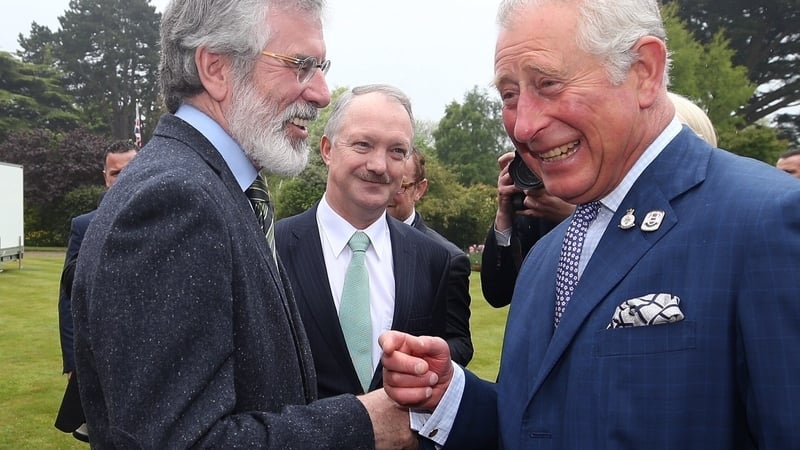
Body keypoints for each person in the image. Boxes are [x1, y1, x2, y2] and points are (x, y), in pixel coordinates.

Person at [380, 0, 800, 448]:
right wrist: (451, 397)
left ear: (644, 71)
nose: (522, 126)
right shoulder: (546, 257)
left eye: (549, 84)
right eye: (509, 95)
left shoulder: (765, 220)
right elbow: (540, 420)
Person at [71, 1, 415, 448]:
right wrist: (363, 423)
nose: (323, 93)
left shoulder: (217, 189)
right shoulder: (176, 202)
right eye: (301, 65)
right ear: (215, 67)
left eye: (321, 67)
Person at [275, 84, 452, 400]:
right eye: (363, 144)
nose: (379, 166)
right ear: (327, 150)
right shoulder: (272, 248)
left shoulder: (433, 260)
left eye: (396, 151)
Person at [481, 92, 717, 309]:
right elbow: (498, 293)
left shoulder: (710, 222)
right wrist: (504, 218)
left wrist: (579, 219)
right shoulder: (541, 204)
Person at [55, 139, 138, 442]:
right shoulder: (83, 225)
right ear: (105, 176)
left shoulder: (163, 216)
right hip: (98, 355)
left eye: (130, 170)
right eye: (116, 173)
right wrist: (73, 361)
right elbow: (68, 300)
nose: (123, 178)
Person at [386, 148, 473, 365]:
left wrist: (416, 359)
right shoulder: (350, 242)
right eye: (382, 181)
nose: (386, 193)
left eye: (399, 186)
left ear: (419, 189)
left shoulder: (447, 259)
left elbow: (460, 344)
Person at [480, 151, 573, 308]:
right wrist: (504, 215)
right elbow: (497, 295)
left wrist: (576, 216)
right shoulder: (531, 208)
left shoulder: (601, 194)